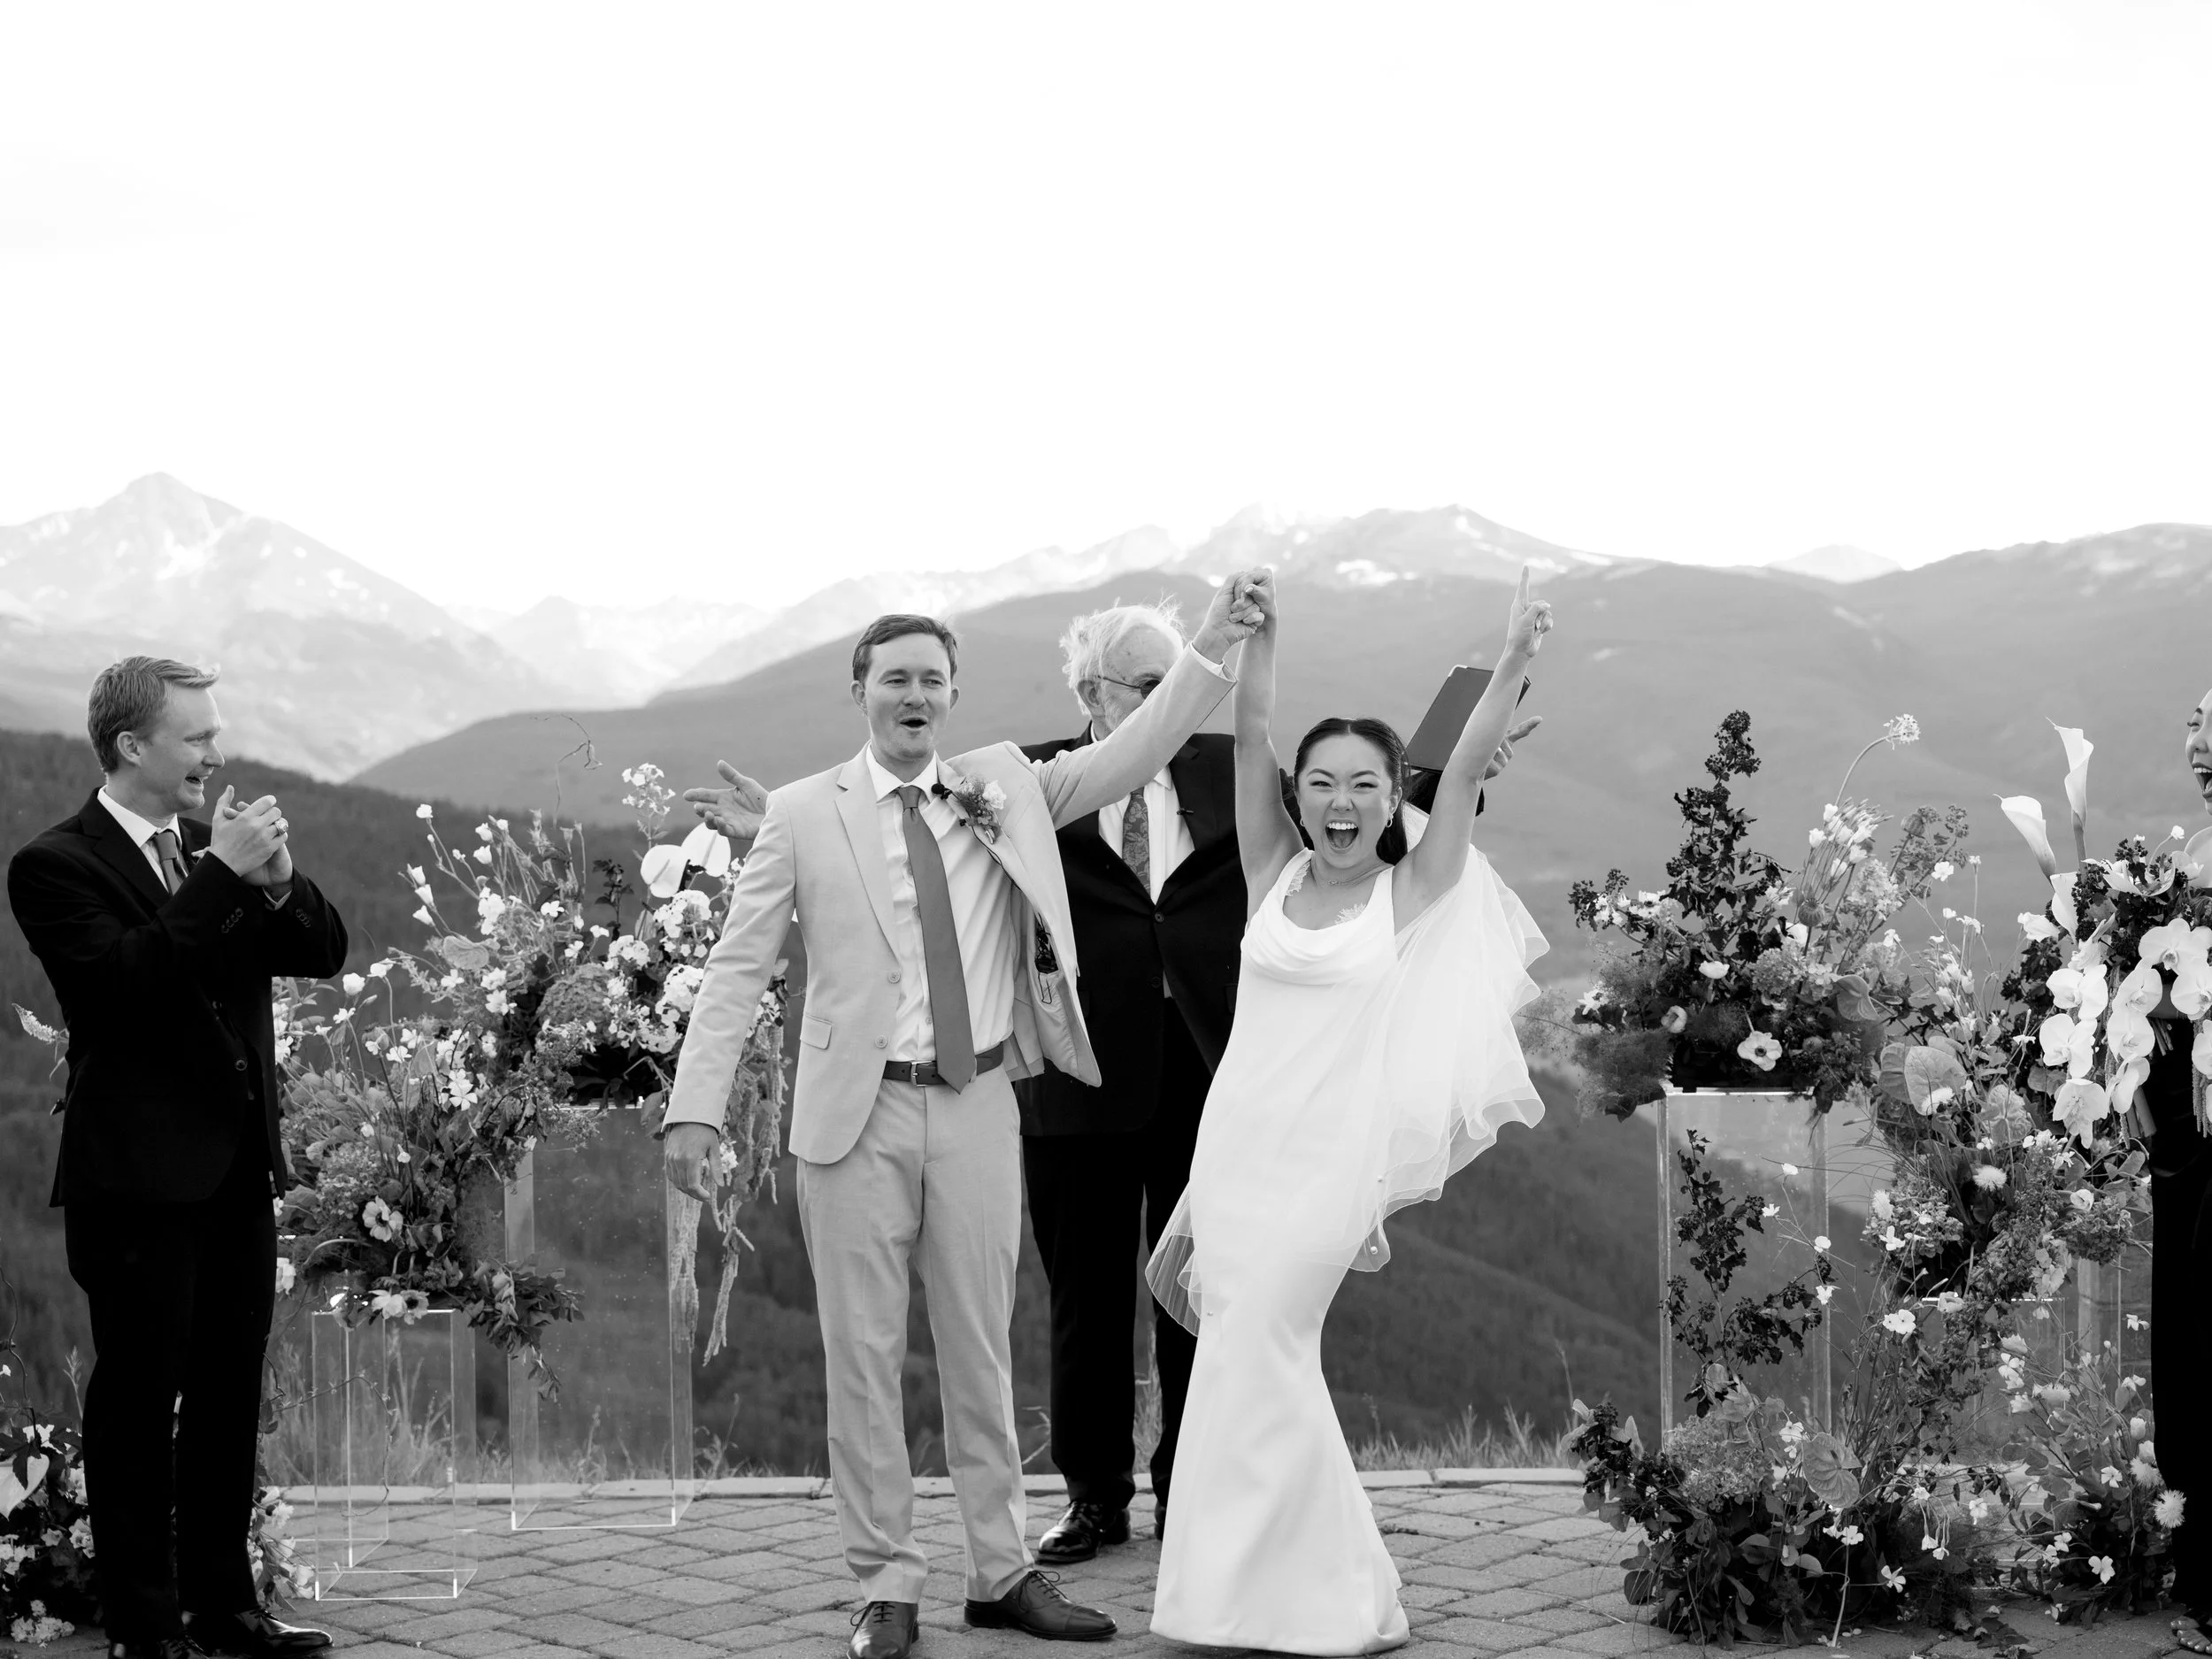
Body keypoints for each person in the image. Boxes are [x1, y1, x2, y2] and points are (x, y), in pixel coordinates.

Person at [662, 572, 1267, 1659]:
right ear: (861, 692)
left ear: (952, 697)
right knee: (863, 1356)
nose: (914, 695)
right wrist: (693, 1112)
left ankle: (999, 1574)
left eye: (932, 680)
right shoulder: (804, 815)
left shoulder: (1008, 784)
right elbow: (736, 972)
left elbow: (1135, 750)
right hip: (853, 1123)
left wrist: (1214, 641)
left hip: (983, 1100)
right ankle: (884, 1584)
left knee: (981, 1354)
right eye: (894, 678)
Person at [1015, 601, 1541, 1566]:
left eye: (1184, 678)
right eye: (1150, 684)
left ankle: (1194, 1493)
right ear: (1092, 694)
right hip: (1076, 1072)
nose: (1181, 699)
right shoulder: (1031, 778)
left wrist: (1477, 740)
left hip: (1216, 1077)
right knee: (1083, 1300)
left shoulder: (1234, 773)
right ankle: (1093, 1500)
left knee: (1210, 1305)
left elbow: (1364, 799)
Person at [1143, 572, 1553, 1655]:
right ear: (1299, 797)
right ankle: (1279, 1594)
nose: (1336, 799)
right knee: (1241, 1351)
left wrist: (1513, 661)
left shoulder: (1409, 891)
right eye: (1320, 781)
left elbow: (1462, 771)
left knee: (1265, 1347)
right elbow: (1251, 736)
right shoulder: (1271, 869)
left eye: (1361, 784)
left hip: (1328, 1167)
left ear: (1388, 797)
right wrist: (1261, 639)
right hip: (1233, 1151)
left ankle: (1298, 1597)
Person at [6, 657, 349, 1659]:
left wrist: (278, 879)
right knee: (137, 1401)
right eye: (197, 737)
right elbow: (122, 988)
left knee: (228, 1396)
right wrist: (217, 877)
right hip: (136, 1181)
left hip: (239, 1171)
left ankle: (225, 1609)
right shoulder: (54, 864)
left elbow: (320, 952)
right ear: (131, 747)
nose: (216, 751)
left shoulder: (215, 853)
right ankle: (146, 1629)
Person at [2151, 684, 2212, 1655]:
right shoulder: (2189, 855)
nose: (2199, 741)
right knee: (2191, 1322)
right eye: (2195, 721)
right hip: (2187, 1133)